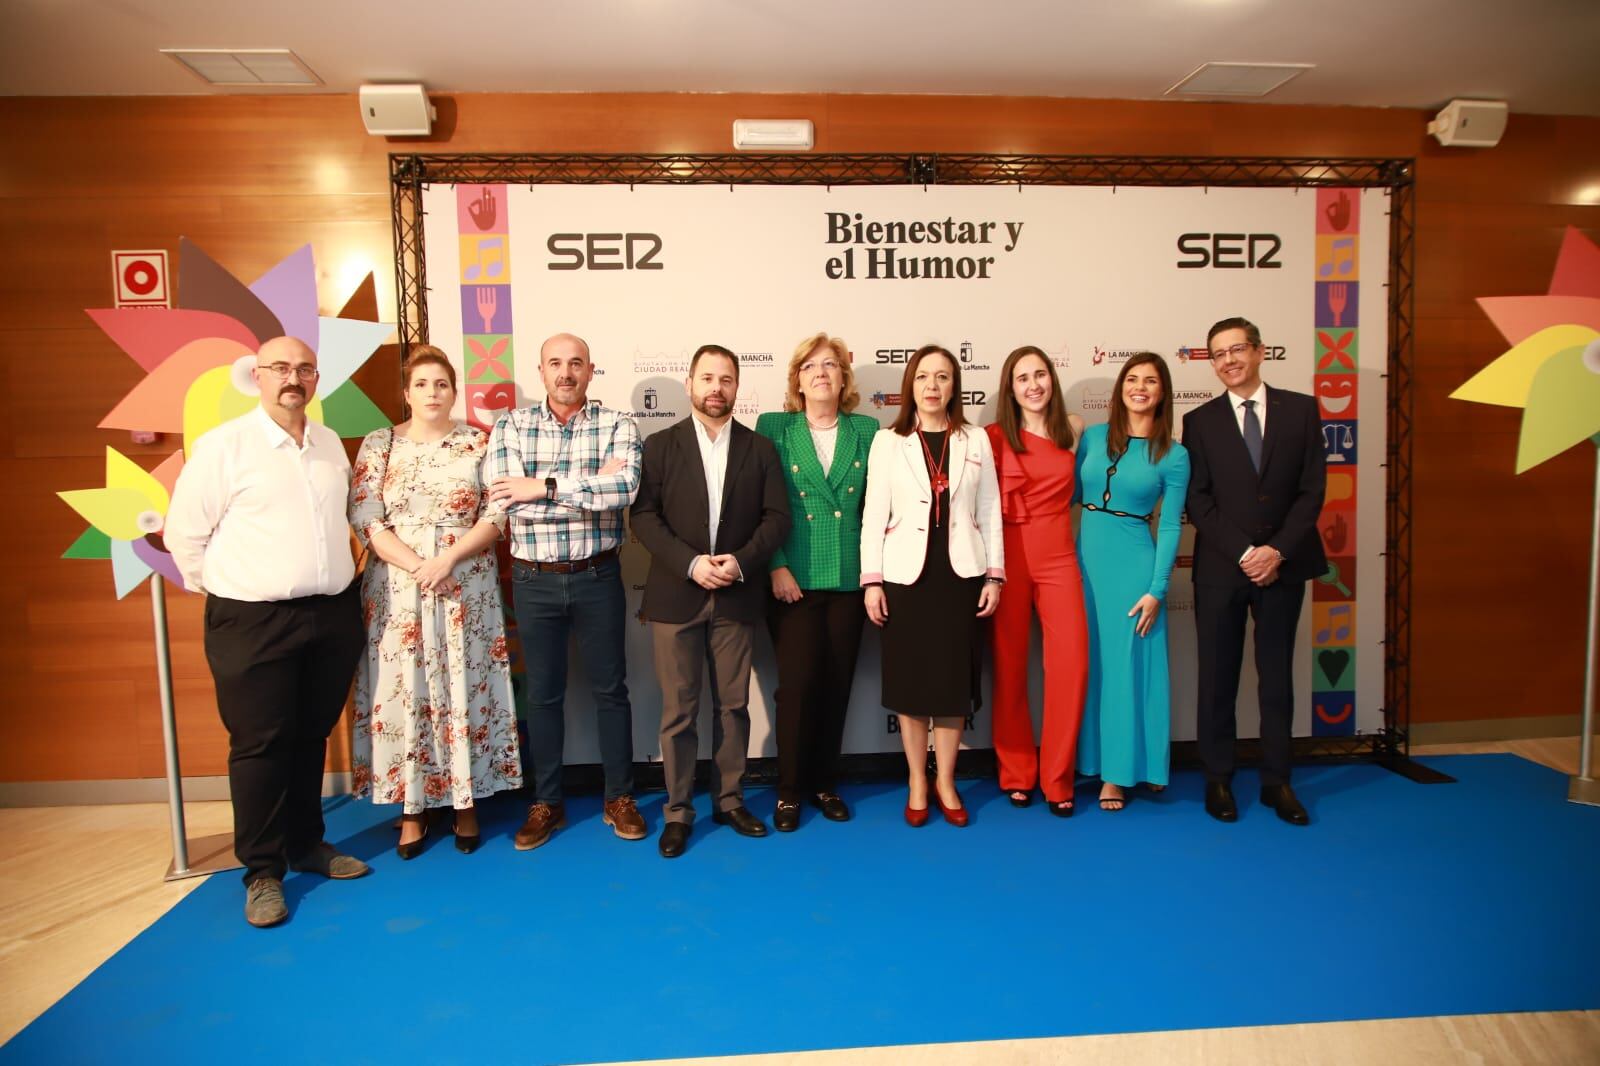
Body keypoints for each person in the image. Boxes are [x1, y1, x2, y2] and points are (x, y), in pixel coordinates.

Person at [165, 335, 369, 928]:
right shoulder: (224, 447)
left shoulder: (329, 444)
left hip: (329, 613)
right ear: (256, 376)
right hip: (252, 618)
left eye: (304, 369)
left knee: (309, 735)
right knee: (259, 744)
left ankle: (307, 845)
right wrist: (236, 590)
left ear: (315, 379)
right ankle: (260, 871)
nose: (293, 378)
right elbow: (186, 537)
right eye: (280, 368)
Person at [347, 347, 522, 859]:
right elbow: (365, 515)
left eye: (442, 384)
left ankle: (466, 801)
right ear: (406, 393)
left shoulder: (477, 443)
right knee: (408, 690)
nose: (432, 393)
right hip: (398, 590)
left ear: (454, 390)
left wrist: (447, 560)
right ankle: (412, 807)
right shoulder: (379, 444)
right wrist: (417, 565)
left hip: (465, 583)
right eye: (421, 384)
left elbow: (497, 512)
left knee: (465, 685)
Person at [484, 333, 646, 851]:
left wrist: (545, 485)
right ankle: (546, 802)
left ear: (591, 370)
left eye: (576, 363)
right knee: (545, 695)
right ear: (541, 371)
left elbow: (625, 490)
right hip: (533, 579)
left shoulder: (617, 423)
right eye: (556, 363)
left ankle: (619, 797)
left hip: (598, 575)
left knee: (610, 691)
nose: (566, 372)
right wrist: (586, 484)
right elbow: (506, 498)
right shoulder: (511, 424)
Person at [631, 344, 790, 859]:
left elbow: (776, 519)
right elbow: (644, 518)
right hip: (676, 594)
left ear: (737, 387)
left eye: (726, 379)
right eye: (707, 378)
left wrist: (739, 562)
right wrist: (691, 563)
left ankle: (729, 799)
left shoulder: (760, 449)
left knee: (734, 707)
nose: (716, 388)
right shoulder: (659, 445)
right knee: (679, 711)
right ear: (690, 384)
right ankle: (678, 811)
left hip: (737, 596)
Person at [1182, 317, 1326, 826]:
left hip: (1284, 569)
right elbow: (1198, 500)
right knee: (1216, 679)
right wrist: (1246, 552)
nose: (1228, 360)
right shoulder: (1199, 422)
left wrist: (1277, 552)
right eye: (1218, 354)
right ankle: (1218, 778)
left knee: (1276, 680)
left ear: (1261, 351)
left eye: (1237, 349)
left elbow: (1312, 492)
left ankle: (1276, 781)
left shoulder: (1303, 411)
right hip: (1222, 570)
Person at [860, 344, 1003, 828]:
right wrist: (872, 581)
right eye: (923, 377)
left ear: (954, 386)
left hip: (960, 577)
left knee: (951, 686)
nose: (933, 386)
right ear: (911, 385)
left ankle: (946, 779)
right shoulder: (888, 441)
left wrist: (995, 574)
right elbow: (873, 515)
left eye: (942, 377)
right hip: (905, 579)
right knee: (912, 685)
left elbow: (989, 513)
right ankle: (917, 780)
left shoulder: (975, 440)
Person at [755, 333, 877, 832]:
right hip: (793, 576)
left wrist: (875, 576)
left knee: (836, 685)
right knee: (798, 688)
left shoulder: (868, 429)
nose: (822, 372)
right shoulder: (774, 427)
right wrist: (775, 564)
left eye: (831, 365)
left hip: (850, 576)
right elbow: (760, 505)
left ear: (844, 377)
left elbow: (878, 509)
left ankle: (826, 781)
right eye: (810, 366)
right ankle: (788, 790)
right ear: (797, 379)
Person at [1075, 352, 1191, 811]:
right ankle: (1094, 761)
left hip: (1134, 570)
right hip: (1085, 566)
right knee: (1095, 667)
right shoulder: (1092, 437)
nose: (1140, 387)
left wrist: (1156, 589)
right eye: (1132, 378)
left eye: (1151, 381)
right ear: (1120, 387)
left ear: (1163, 393)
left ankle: (1120, 775)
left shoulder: (1174, 455)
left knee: (1128, 670)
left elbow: (1169, 527)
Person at [985, 346, 1088, 816]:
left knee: (1070, 667)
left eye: (1040, 374)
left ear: (1052, 379)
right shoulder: (992, 437)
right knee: (1009, 669)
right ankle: (1017, 772)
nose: (1033, 385)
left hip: (1060, 557)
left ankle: (1059, 777)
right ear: (1010, 387)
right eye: (1022, 377)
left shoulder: (1075, 429)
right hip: (1008, 558)